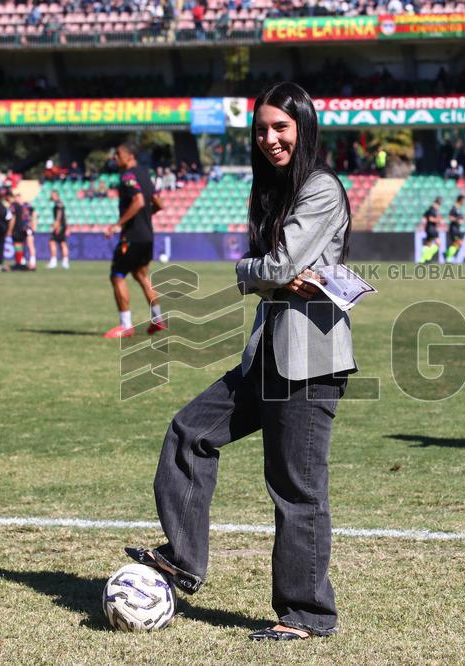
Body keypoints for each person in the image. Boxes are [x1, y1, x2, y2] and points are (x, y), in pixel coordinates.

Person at [124, 81, 354, 642]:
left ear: (303, 126)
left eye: (281, 127)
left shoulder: (321, 189)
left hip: (310, 360)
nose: (269, 138)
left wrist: (258, 272)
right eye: (261, 129)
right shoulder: (274, 190)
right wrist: (267, 272)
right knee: (189, 432)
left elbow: (273, 269)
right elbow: (274, 270)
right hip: (267, 356)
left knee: (296, 487)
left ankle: (306, 615)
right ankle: (182, 559)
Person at [102, 143, 165, 338]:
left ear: (130, 156)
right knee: (141, 275)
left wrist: (117, 224)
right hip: (147, 235)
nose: (115, 158)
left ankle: (125, 326)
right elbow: (158, 204)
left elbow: (138, 201)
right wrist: (145, 216)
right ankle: (158, 320)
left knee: (117, 275)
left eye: (118, 154)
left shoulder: (128, 176)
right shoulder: (145, 174)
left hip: (132, 236)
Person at [47, 190, 70, 270]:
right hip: (62, 225)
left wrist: (56, 224)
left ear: (56, 195)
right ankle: (65, 262)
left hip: (59, 226)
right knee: (62, 243)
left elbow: (59, 214)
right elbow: (65, 216)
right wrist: (66, 226)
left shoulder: (58, 203)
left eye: (52, 195)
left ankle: (54, 261)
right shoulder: (60, 203)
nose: (51, 196)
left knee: (52, 242)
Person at [419, 197, 442, 263]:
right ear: (435, 203)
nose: (438, 206)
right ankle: (428, 257)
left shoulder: (430, 209)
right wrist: (437, 220)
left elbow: (424, 216)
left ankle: (422, 260)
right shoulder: (433, 210)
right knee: (438, 243)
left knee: (428, 245)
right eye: (438, 204)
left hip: (429, 228)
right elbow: (430, 219)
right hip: (431, 228)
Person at [445, 193, 465, 263]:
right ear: (460, 200)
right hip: (453, 228)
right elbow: (450, 217)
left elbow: (459, 218)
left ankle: (446, 254)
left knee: (458, 244)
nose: (464, 202)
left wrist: (462, 219)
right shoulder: (454, 208)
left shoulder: (458, 208)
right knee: (458, 243)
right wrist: (458, 220)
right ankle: (448, 258)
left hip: (457, 228)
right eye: (463, 200)